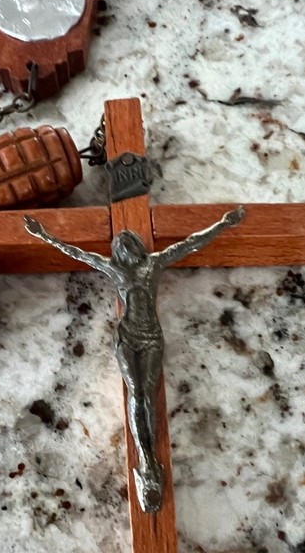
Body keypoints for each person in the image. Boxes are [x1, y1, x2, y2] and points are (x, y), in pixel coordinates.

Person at [24, 206, 245, 512]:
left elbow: (192, 243)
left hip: (152, 337)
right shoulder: (116, 270)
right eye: (121, 245)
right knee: (136, 392)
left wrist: (223, 223)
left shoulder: (153, 265)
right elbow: (77, 253)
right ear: (117, 251)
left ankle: (151, 460)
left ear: (138, 248)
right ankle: (145, 459)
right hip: (127, 339)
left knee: (149, 394)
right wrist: (43, 235)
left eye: (130, 243)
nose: (126, 248)